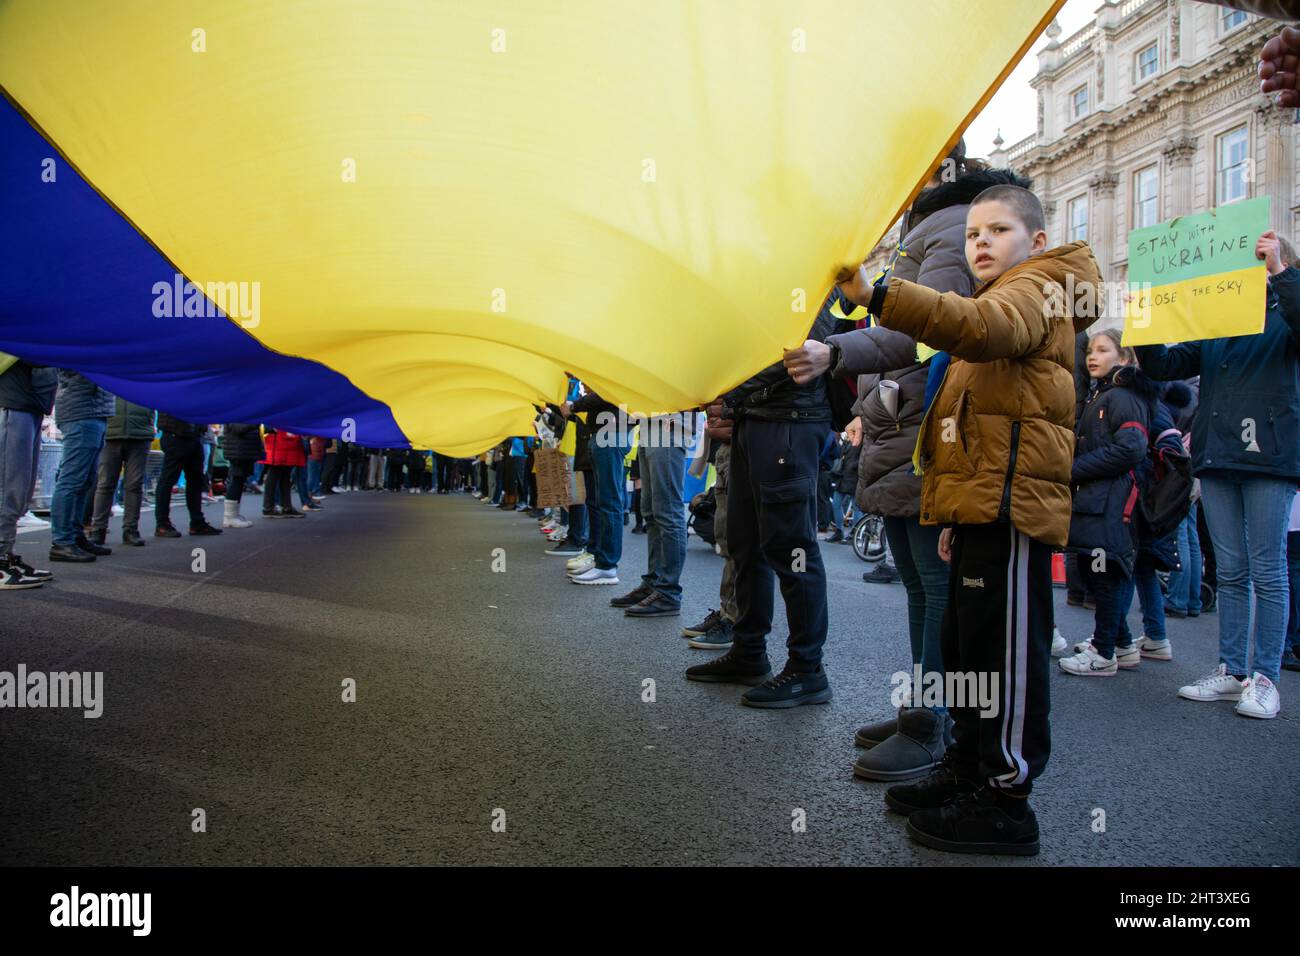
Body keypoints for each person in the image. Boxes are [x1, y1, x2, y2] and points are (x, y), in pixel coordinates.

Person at [839, 183, 1101, 855]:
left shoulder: (1042, 288)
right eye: (972, 233)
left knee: (1003, 656)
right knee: (964, 649)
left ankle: (1007, 799)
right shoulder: (1000, 298)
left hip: (1014, 514)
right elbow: (966, 425)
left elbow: (981, 331)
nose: (979, 241)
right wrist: (953, 511)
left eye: (997, 230)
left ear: (1036, 242)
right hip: (984, 509)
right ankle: (964, 766)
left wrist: (880, 294)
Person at [1135, 230, 1300, 719]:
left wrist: (1283, 274)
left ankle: (1266, 676)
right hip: (1219, 451)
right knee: (1231, 571)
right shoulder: (1220, 319)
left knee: (1267, 569)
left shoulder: (1286, 311)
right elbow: (1165, 363)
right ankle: (1231, 669)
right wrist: (1143, 315)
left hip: (1269, 452)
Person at [683, 290, 836, 705]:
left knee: (791, 549)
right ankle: (749, 651)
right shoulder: (766, 273)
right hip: (755, 421)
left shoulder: (810, 272)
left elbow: (800, 353)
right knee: (745, 544)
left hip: (790, 421)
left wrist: (725, 394)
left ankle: (807, 670)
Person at [613, 413, 693, 618]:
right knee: (650, 511)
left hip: (669, 424)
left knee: (667, 512)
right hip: (650, 425)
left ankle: (668, 592)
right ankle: (655, 584)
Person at [0, 356, 57, 588]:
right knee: (8, 486)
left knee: (19, 488)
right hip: (12, 399)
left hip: (28, 400)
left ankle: (6, 554)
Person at [564, 388, 630, 586]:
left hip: (611, 433)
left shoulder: (614, 369)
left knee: (609, 503)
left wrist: (574, 406)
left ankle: (607, 566)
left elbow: (606, 393)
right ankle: (602, 560)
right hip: (605, 433)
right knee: (603, 502)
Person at [49, 370, 115, 561]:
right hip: (82, 412)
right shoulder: (80, 344)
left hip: (92, 411)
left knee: (85, 481)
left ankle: (74, 536)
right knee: (72, 480)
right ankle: (62, 541)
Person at [89, 397, 155, 547]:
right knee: (106, 484)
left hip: (139, 433)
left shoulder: (143, 378)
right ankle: (98, 529)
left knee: (133, 485)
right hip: (112, 433)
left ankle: (130, 530)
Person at [154, 411, 222, 537]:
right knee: (168, 479)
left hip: (193, 434)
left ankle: (196, 522)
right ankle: (162, 524)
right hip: (176, 433)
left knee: (195, 481)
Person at [220, 423, 265, 528]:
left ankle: (233, 514)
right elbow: (238, 429)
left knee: (239, 481)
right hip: (238, 450)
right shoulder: (236, 413)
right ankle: (229, 516)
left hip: (243, 450)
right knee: (236, 480)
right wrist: (255, 423)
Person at [261, 427, 306, 518]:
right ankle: (269, 507)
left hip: (284, 443)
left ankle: (284, 506)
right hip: (279, 443)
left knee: (284, 477)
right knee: (274, 476)